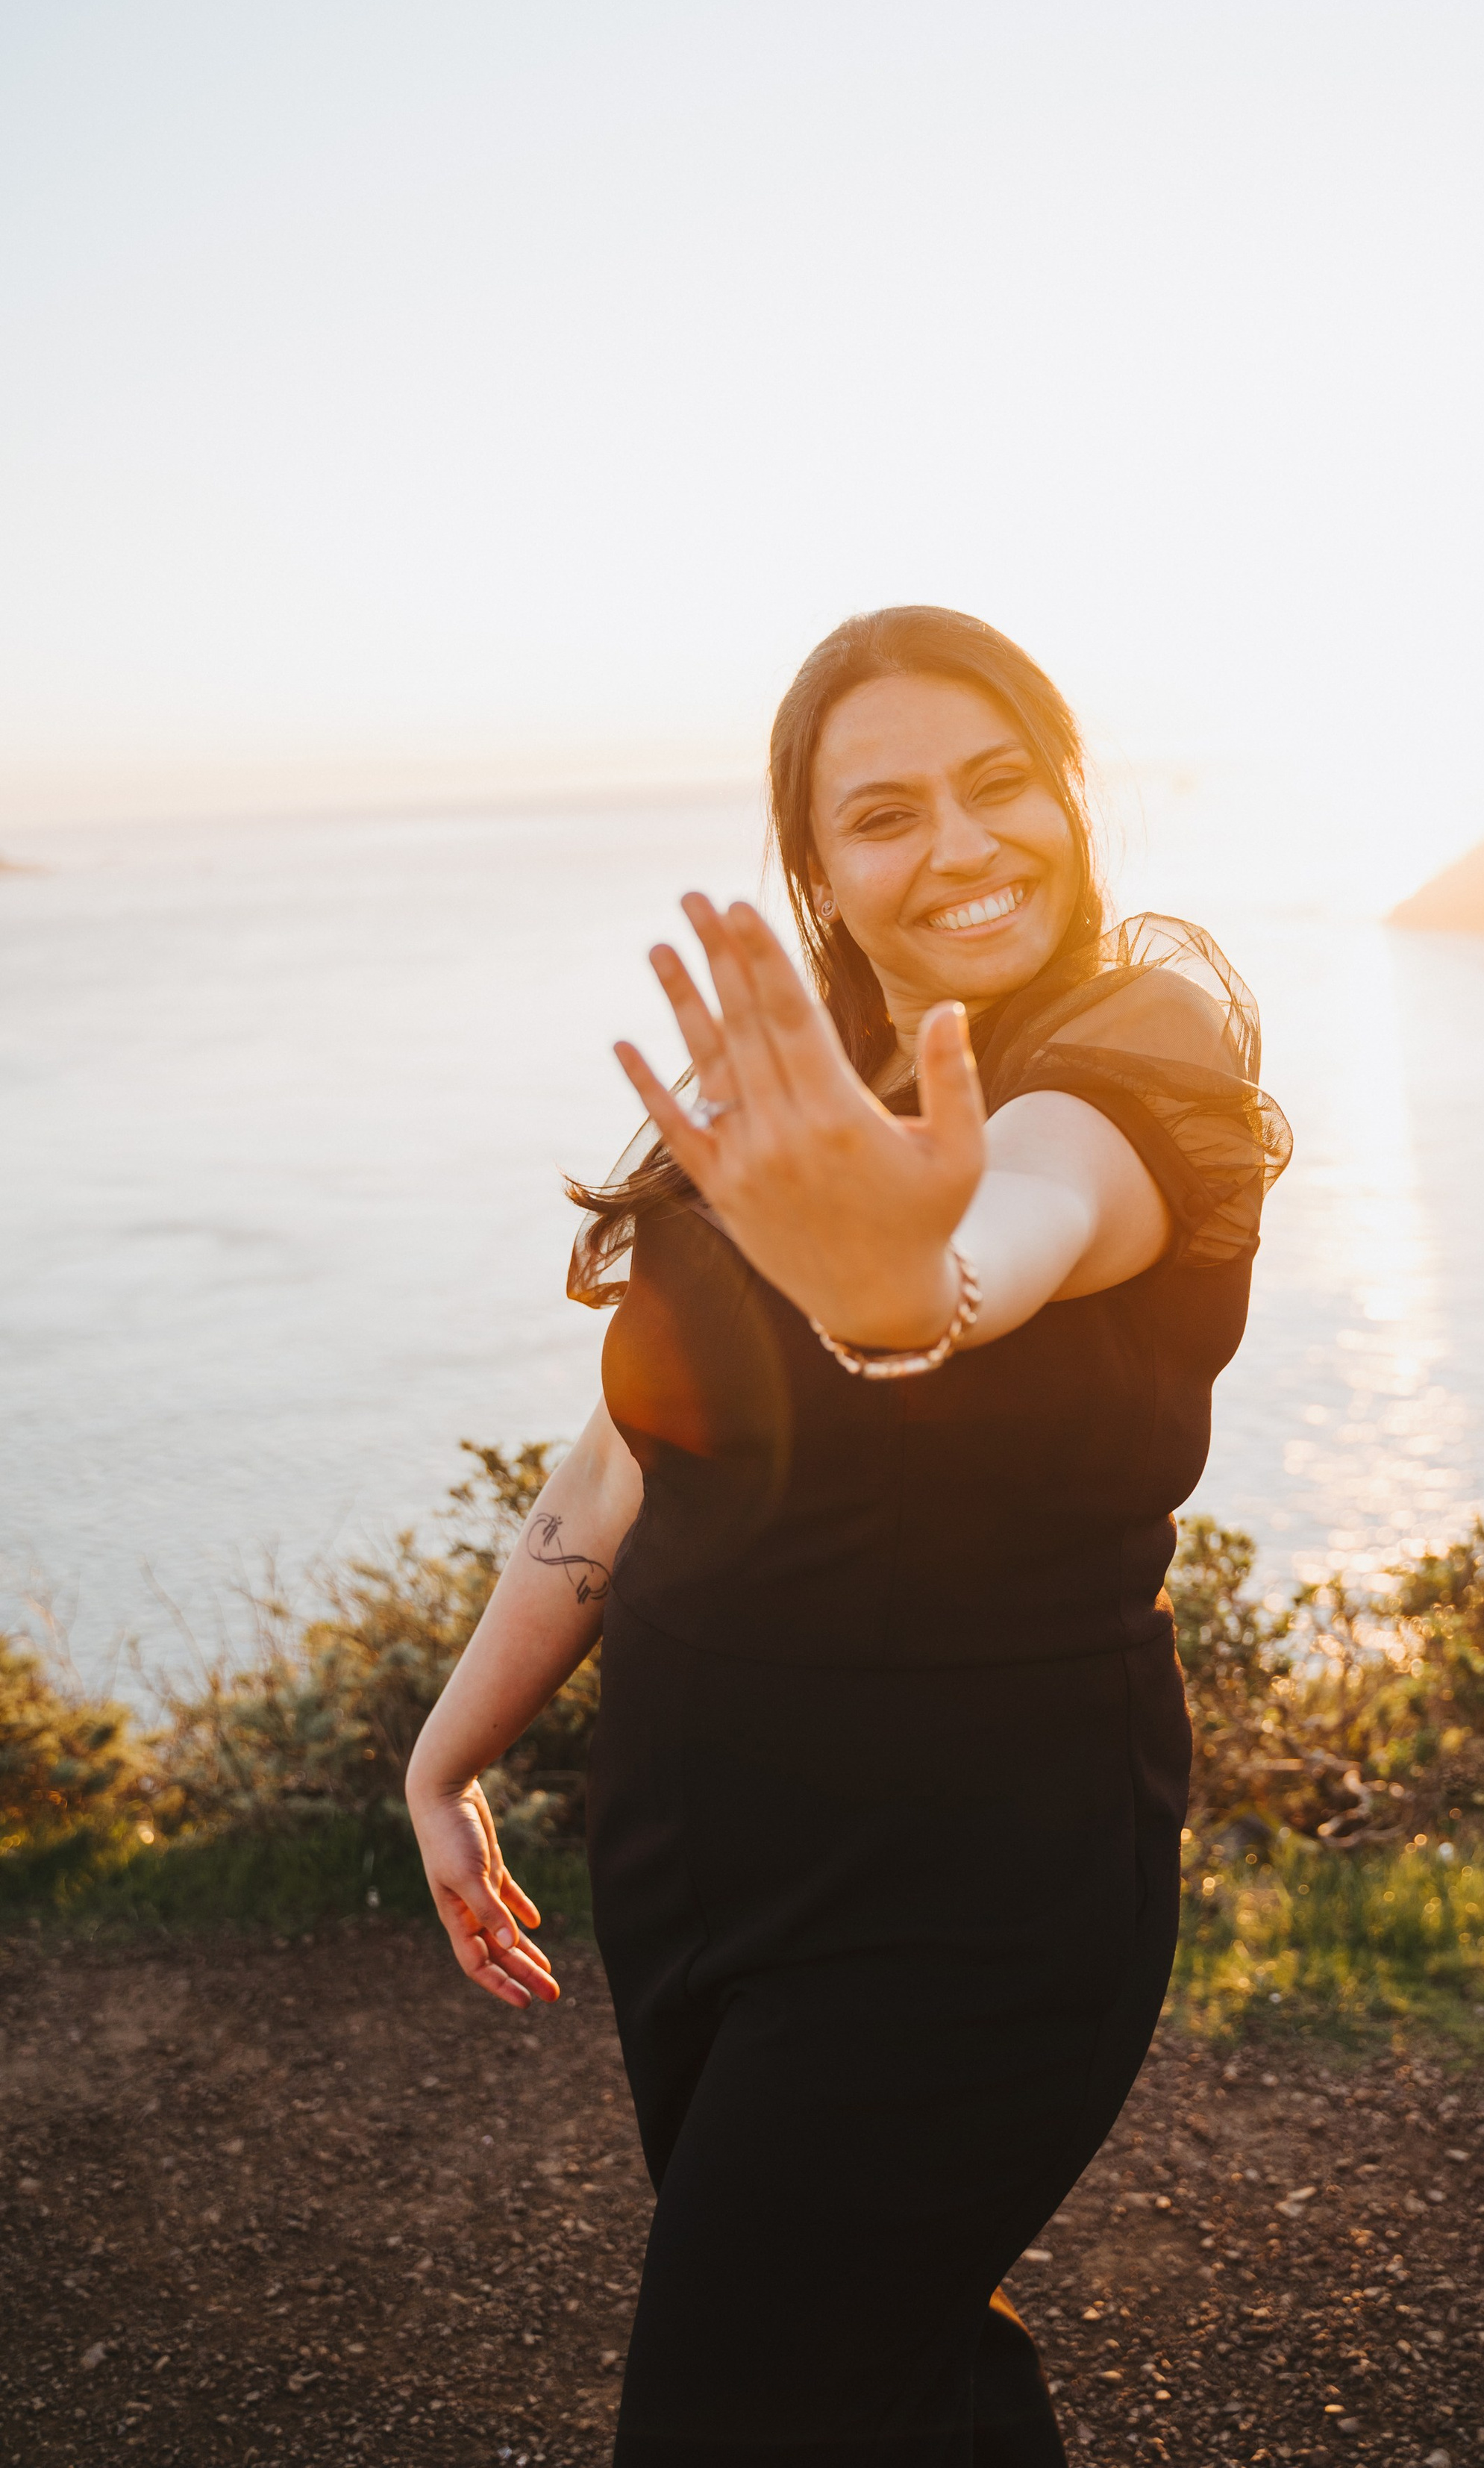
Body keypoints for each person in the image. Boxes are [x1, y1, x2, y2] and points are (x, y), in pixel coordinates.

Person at [406, 605, 1290, 2466]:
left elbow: (1025, 1220)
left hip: (974, 1883)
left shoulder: (1139, 1039)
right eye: (884, 815)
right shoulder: (782, 1095)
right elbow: (622, 1457)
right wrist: (446, 1753)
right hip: (690, 1852)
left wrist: (910, 1296)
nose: (960, 846)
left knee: (733, 2415)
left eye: (997, 787)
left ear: (1068, 795)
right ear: (815, 865)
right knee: (888, 2366)